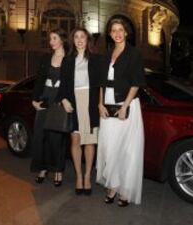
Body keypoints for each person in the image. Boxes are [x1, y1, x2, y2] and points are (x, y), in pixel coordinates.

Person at [96, 18, 146, 207]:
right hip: (107, 105)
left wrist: (125, 106)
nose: (117, 33)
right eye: (114, 30)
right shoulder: (107, 54)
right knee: (109, 148)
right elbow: (101, 82)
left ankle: (124, 190)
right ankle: (113, 185)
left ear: (126, 33)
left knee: (125, 149)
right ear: (110, 34)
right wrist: (100, 104)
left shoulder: (134, 54)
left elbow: (136, 82)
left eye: (121, 30)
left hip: (126, 105)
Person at [59, 28, 101, 195]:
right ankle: (78, 176)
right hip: (73, 101)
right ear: (72, 40)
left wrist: (100, 103)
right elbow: (62, 84)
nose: (79, 39)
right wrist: (63, 99)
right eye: (76, 36)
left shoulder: (96, 60)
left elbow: (100, 86)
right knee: (75, 141)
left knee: (89, 142)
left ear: (87, 39)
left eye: (82, 36)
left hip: (90, 103)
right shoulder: (67, 61)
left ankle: (88, 176)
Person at [30, 28, 69, 187]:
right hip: (45, 98)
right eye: (50, 39)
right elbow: (39, 80)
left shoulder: (70, 59)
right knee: (42, 136)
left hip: (60, 101)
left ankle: (58, 170)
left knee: (57, 138)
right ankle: (43, 169)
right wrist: (34, 99)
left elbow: (70, 84)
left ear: (62, 40)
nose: (51, 41)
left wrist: (65, 100)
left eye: (54, 38)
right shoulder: (46, 58)